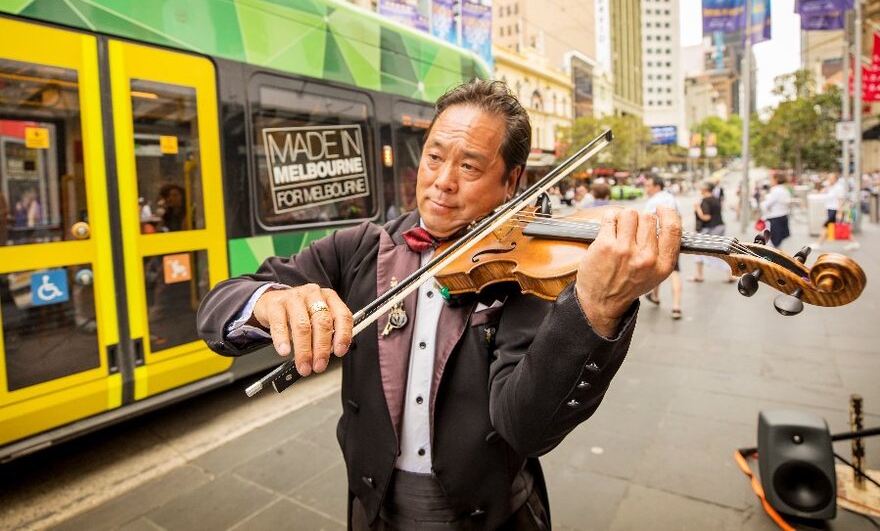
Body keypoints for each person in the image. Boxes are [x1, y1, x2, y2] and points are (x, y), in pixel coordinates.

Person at [197, 79, 681, 530]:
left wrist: (595, 307)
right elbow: (222, 305)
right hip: (373, 507)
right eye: (433, 157)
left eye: (469, 166)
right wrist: (269, 302)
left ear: (511, 182)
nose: (443, 181)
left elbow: (526, 427)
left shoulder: (523, 273)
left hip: (490, 515)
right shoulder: (362, 246)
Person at [642, 174, 683, 319]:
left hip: (658, 239)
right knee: (674, 271)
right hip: (673, 238)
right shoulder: (671, 198)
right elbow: (679, 217)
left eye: (648, 185)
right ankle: (674, 305)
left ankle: (656, 295)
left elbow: (646, 221)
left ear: (657, 186)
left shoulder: (654, 201)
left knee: (658, 268)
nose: (646, 188)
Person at [691, 182, 735, 283]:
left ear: (705, 189)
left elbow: (706, 217)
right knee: (700, 251)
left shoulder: (705, 201)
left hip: (711, 228)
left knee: (711, 252)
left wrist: (697, 208)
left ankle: (730, 272)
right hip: (719, 226)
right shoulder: (716, 200)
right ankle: (699, 275)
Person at [813, 172, 859, 251]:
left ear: (835, 179)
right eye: (829, 178)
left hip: (835, 210)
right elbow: (821, 192)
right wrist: (825, 185)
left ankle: (818, 244)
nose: (829, 179)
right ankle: (854, 243)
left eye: (831, 178)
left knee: (825, 226)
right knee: (836, 227)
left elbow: (840, 200)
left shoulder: (839, 187)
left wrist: (839, 212)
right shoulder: (830, 187)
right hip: (830, 209)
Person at [759, 172, 792, 249]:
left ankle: (776, 260)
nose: (770, 181)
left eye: (771, 179)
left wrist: (763, 199)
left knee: (772, 245)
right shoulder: (784, 190)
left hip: (774, 219)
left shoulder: (776, 191)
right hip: (783, 217)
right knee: (777, 244)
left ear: (776, 179)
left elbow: (765, 205)